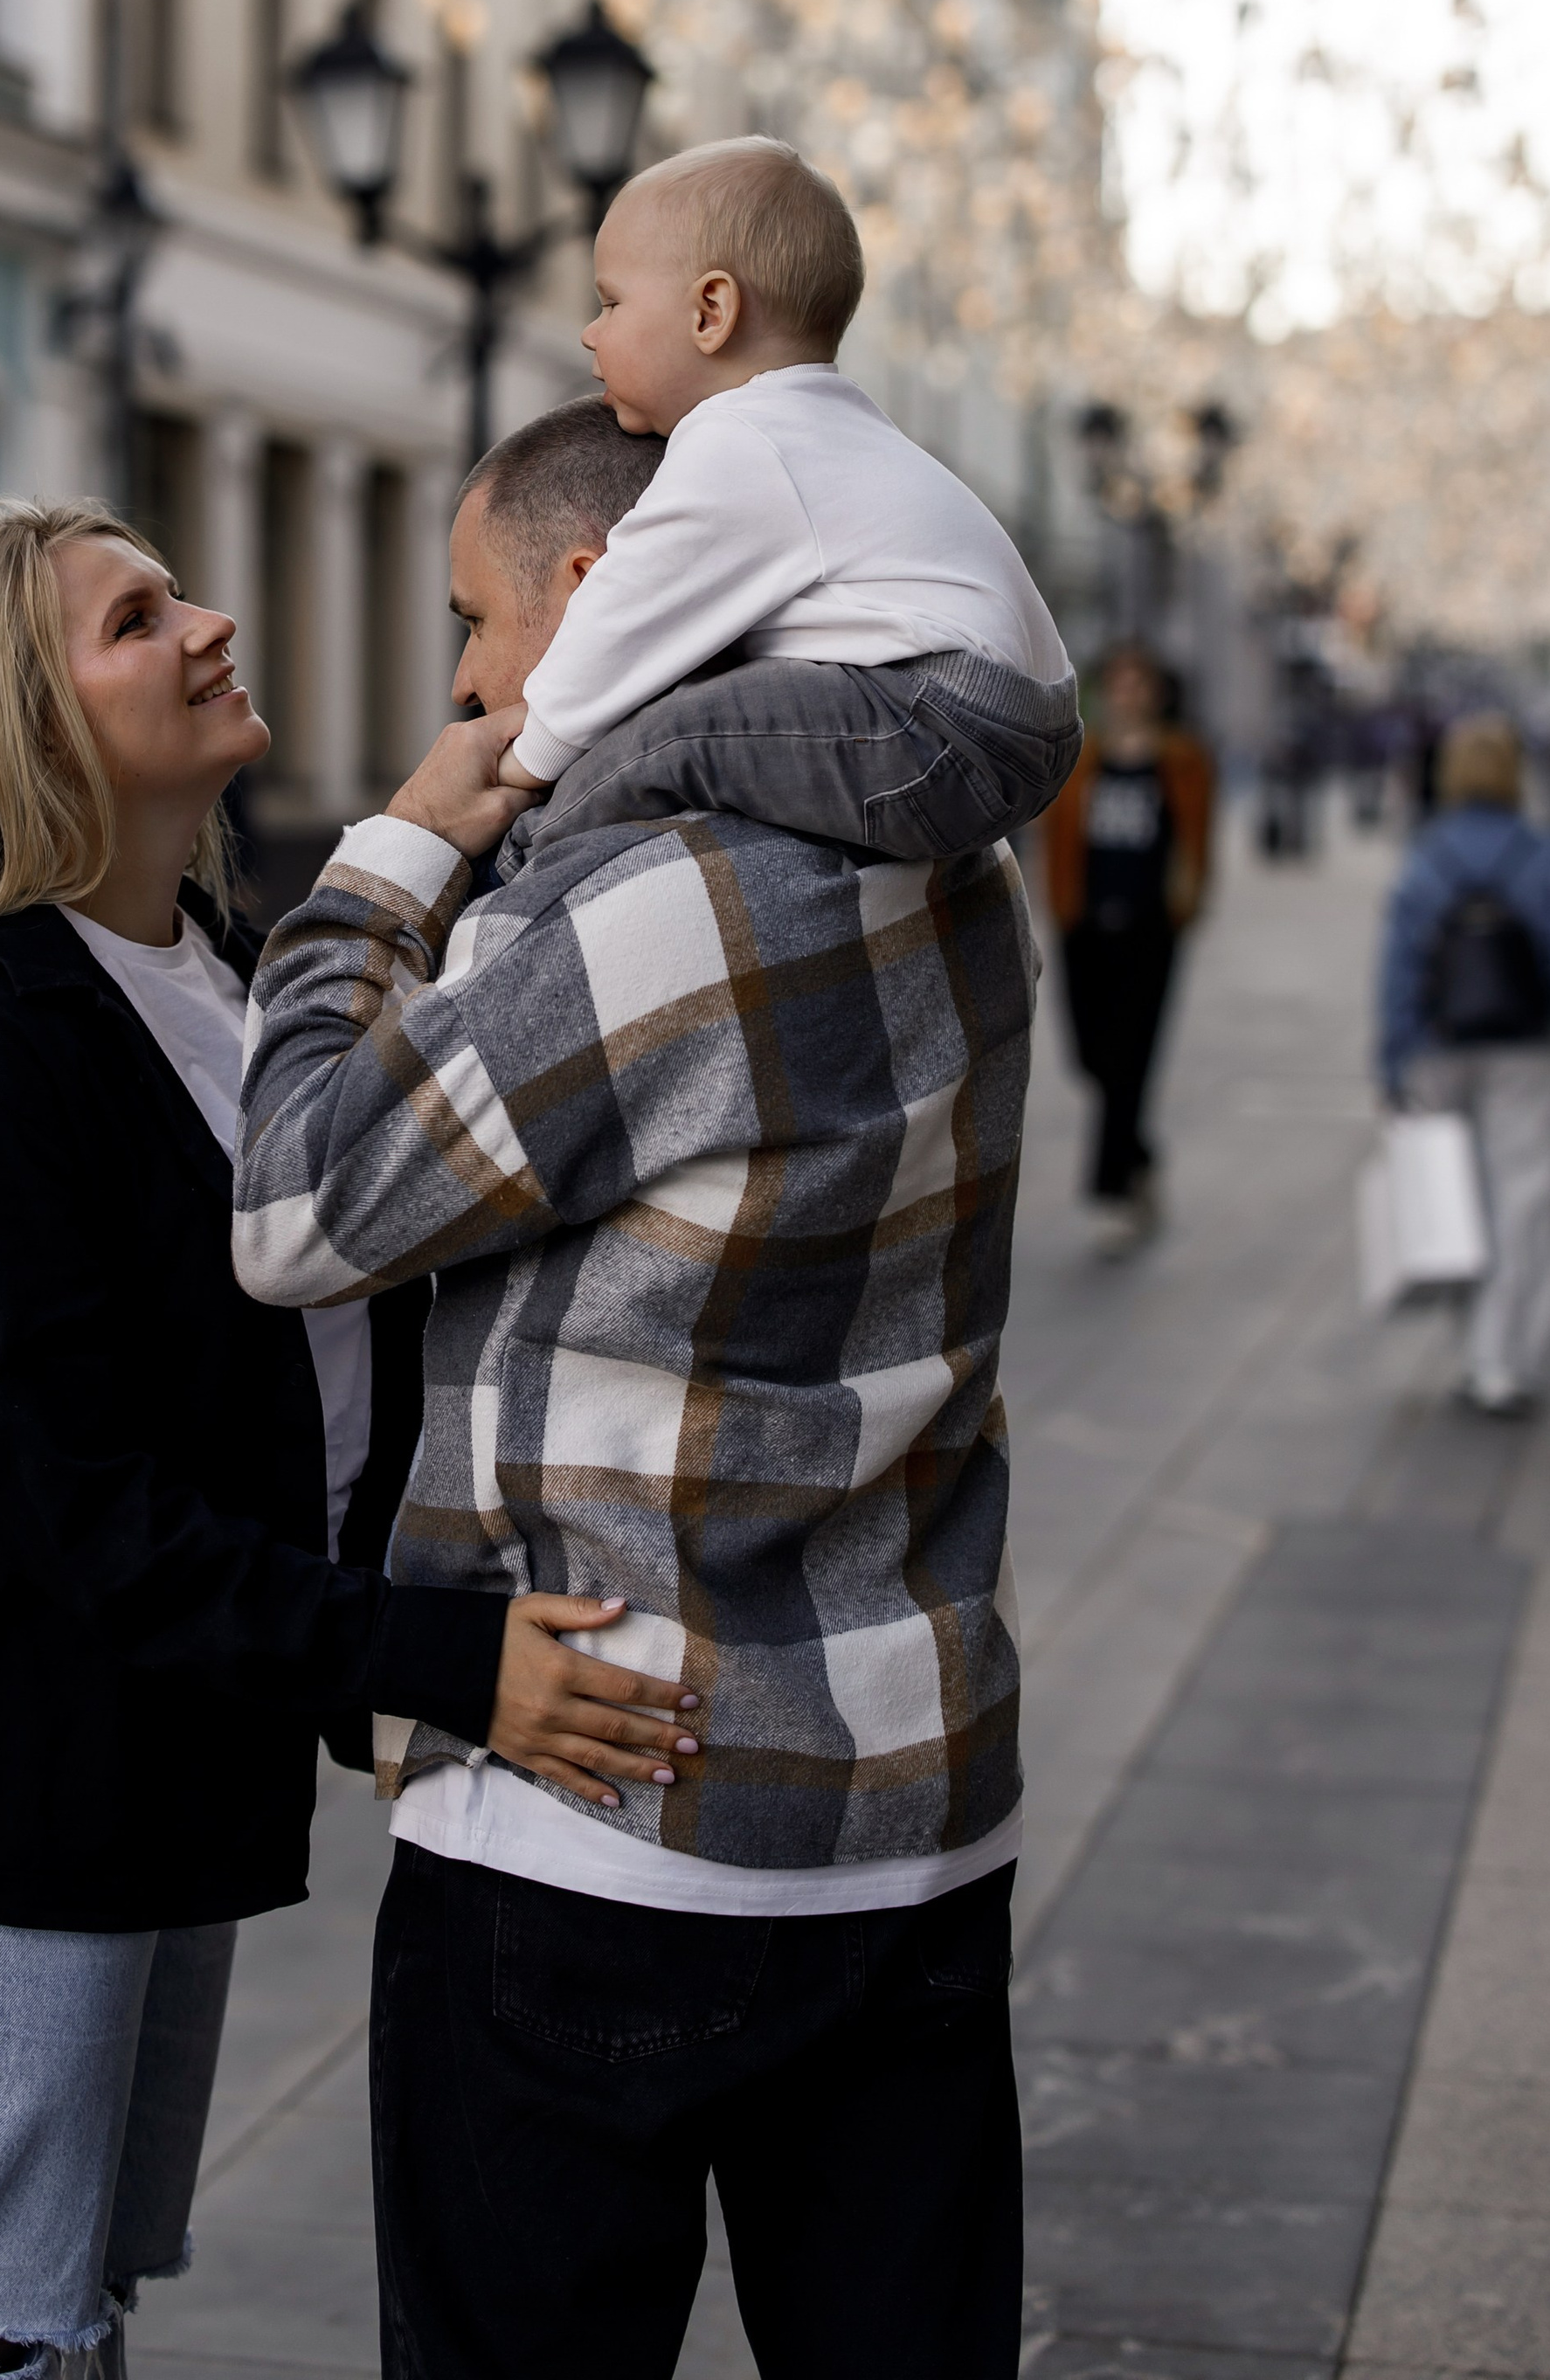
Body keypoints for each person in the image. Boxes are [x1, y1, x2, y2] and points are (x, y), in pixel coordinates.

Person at [0, 496, 689, 2380]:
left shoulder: (209, 969)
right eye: (131, 620)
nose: (204, 623)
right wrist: (425, 1664)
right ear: (24, 722)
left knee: (60, 2297)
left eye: (173, 590)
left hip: (136, 1755)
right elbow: (78, 1510)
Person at [235, 398, 1039, 2380]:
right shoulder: (966, 888)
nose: (460, 674)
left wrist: (386, 860)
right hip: (905, 1815)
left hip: (603, 1823)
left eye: (469, 614)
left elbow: (295, 1211)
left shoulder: (634, 911)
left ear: (589, 593)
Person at [494, 134, 1077, 848]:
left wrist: (528, 759)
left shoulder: (742, 437)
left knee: (677, 736)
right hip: (1034, 722)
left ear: (711, 312)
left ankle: (522, 860)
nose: (590, 333)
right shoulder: (829, 423)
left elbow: (623, 610)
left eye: (611, 303)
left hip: (943, 720)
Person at [1377, 709, 1550, 1415]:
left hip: (1438, 1047)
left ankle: (1473, 1350)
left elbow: (1399, 969)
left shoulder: (1427, 852)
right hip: (1525, 1048)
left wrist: (1391, 1062)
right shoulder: (1543, 852)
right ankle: (1506, 1361)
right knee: (1523, 1201)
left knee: (1454, 1201)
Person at [1042, 640, 1217, 1249]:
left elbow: (1197, 840)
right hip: (1083, 926)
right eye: (1118, 683)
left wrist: (1188, 903)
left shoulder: (1184, 760)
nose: (1128, 694)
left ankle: (1112, 1193)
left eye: (1139, 683)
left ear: (1158, 693)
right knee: (1091, 1057)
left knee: (1131, 1062)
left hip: (1151, 931)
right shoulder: (1081, 758)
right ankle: (1140, 1159)